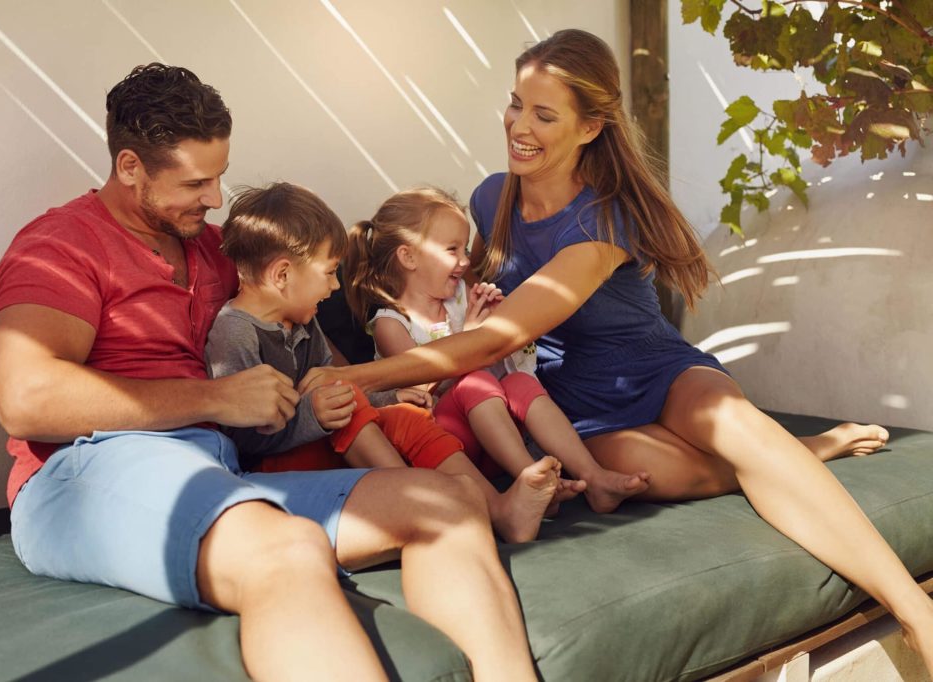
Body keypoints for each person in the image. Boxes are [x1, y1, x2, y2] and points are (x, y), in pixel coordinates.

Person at [301, 29, 933, 671]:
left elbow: (501, 337)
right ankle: (803, 450)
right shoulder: (491, 198)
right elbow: (473, 317)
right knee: (662, 477)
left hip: (656, 367)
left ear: (591, 127)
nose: (520, 124)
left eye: (545, 114)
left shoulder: (605, 219)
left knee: (734, 427)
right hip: (575, 402)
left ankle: (917, 614)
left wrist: (353, 375)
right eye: (517, 103)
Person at [0, 63, 539, 682]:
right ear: (129, 167)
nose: (215, 198)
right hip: (89, 470)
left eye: (219, 176)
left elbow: (302, 316)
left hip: (218, 469)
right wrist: (218, 397)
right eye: (197, 182)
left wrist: (379, 381)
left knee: (452, 500)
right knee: (288, 548)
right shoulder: (59, 246)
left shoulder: (215, 251)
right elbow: (26, 397)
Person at [205, 181, 572, 543]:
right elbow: (244, 440)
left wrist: (390, 398)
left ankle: (498, 510)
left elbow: (335, 380)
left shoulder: (303, 319)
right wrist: (313, 415)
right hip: (277, 466)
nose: (335, 287)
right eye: (330, 273)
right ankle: (421, 502)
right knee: (346, 396)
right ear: (282, 275)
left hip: (330, 443)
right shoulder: (236, 333)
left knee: (404, 418)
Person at [343, 186, 650, 513]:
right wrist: (471, 339)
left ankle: (594, 478)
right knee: (476, 381)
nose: (464, 260)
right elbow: (421, 384)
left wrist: (497, 322)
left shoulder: (460, 296)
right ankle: (529, 482)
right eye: (452, 249)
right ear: (409, 257)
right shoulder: (392, 323)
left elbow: (502, 354)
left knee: (518, 382)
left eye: (465, 247)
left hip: (495, 439)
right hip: (448, 443)